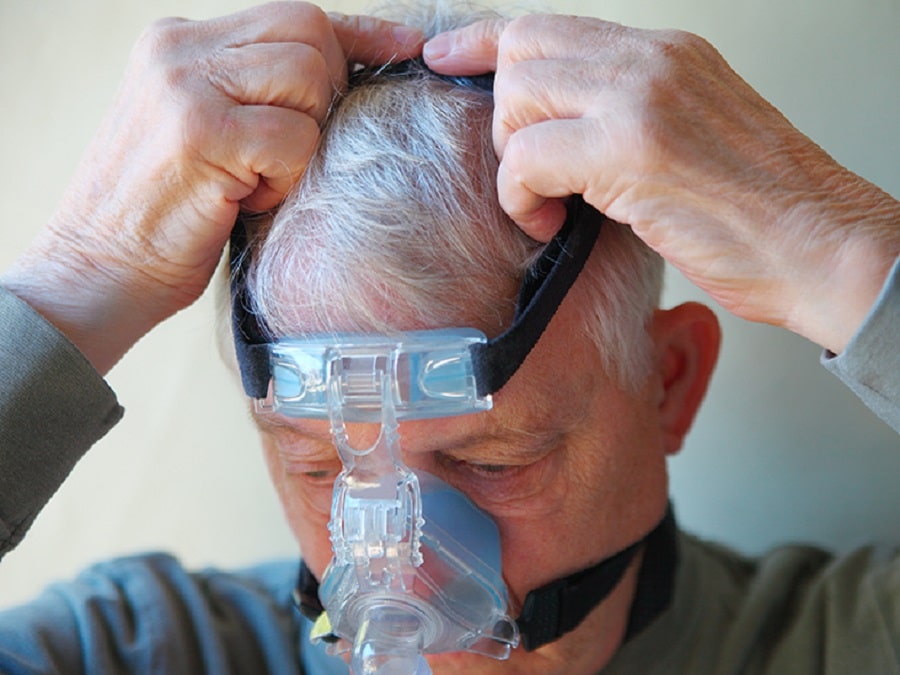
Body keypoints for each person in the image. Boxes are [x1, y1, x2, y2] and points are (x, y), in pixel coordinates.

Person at [0, 2, 897, 674]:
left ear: (670, 381)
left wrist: (845, 254)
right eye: (322, 468)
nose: (404, 581)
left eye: (492, 464)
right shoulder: (140, 650)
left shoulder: (850, 644)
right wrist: (76, 280)